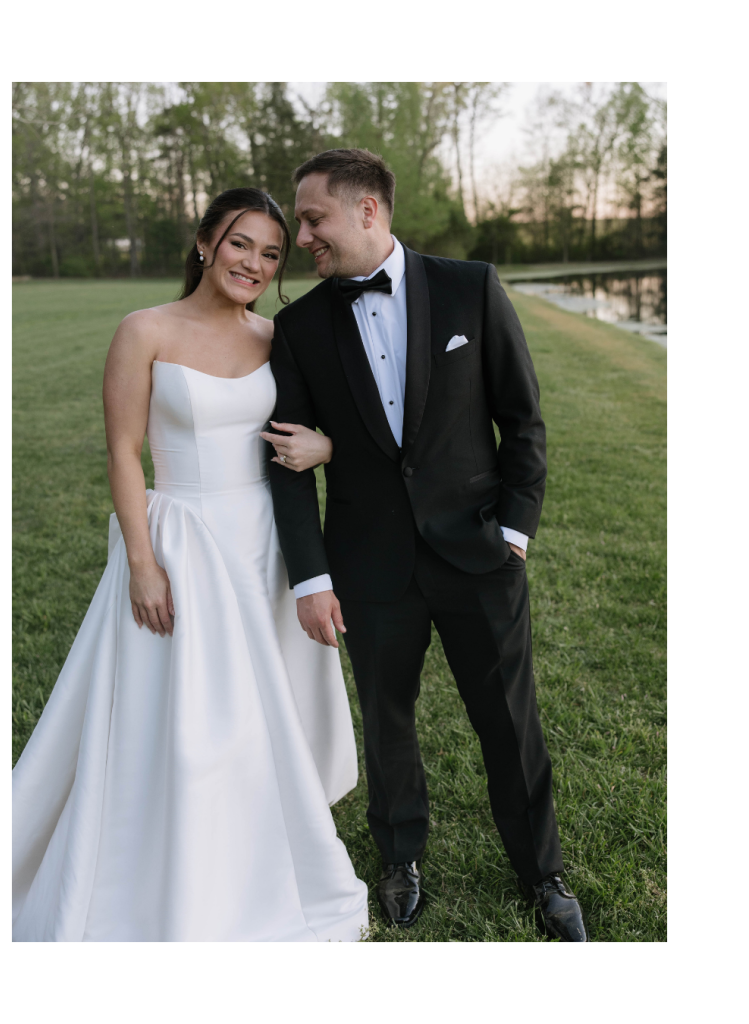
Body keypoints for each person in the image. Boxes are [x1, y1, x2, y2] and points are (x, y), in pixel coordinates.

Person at [12, 188, 369, 942]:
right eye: (242, 244)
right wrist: (142, 561)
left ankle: (259, 848)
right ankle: (177, 864)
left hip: (265, 545)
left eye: (271, 253)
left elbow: (333, 428)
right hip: (180, 540)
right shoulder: (143, 330)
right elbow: (121, 451)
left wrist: (329, 447)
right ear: (207, 241)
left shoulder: (277, 336)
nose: (255, 263)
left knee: (260, 714)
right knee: (186, 722)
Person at [263, 150, 588, 941]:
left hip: (479, 555)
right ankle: (400, 858)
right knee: (388, 718)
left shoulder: (468, 287)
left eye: (313, 218)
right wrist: (311, 577)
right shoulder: (298, 326)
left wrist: (513, 533)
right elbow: (284, 458)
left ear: (367, 210)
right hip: (369, 565)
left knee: (509, 720)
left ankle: (541, 871)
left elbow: (523, 420)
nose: (300, 234)